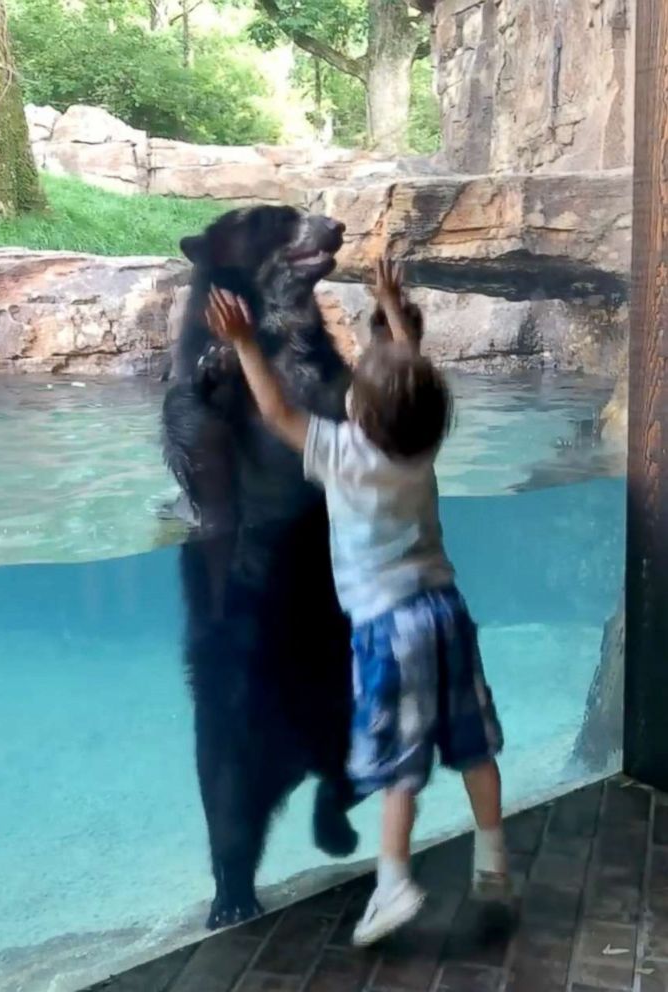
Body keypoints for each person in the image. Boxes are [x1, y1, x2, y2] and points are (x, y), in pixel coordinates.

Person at [204, 259, 510, 946]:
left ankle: (393, 883)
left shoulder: (341, 452)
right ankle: (492, 864)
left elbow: (278, 410)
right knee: (471, 745)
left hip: (389, 629)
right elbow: (411, 378)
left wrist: (246, 342)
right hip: (446, 615)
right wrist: (392, 309)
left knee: (400, 767)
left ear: (358, 411)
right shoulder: (421, 446)